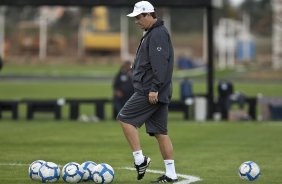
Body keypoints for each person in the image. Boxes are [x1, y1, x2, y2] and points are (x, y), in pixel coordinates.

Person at [116, 1, 178, 183]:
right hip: (158, 90)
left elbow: (160, 64)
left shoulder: (157, 34)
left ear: (149, 14)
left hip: (150, 91)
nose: (136, 21)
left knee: (125, 119)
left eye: (138, 17)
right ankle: (171, 174)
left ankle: (139, 160)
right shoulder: (153, 32)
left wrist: (154, 88)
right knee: (161, 133)